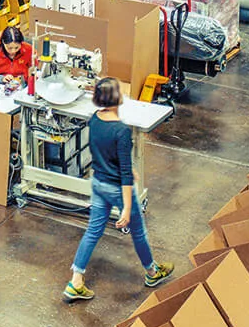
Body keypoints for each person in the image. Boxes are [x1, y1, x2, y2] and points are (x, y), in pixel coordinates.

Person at [64, 77, 173, 302]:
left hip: (98, 183)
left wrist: (126, 168)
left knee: (93, 231)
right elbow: (124, 175)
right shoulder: (122, 131)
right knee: (138, 231)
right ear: (117, 98)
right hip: (116, 187)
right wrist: (126, 209)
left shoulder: (94, 120)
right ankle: (152, 272)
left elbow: (104, 152)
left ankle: (76, 280)